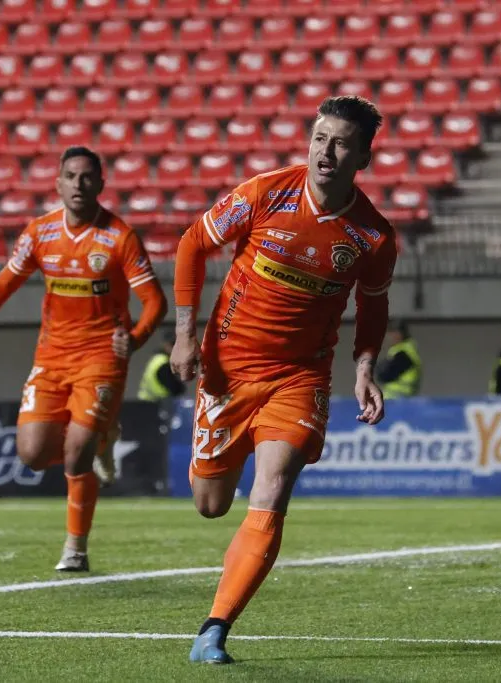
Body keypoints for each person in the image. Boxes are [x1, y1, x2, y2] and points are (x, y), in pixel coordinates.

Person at [170, 96, 398, 664]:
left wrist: (364, 367)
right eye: (321, 137)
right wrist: (183, 332)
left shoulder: (373, 237)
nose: (327, 151)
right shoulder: (265, 192)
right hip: (228, 369)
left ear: (363, 156)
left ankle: (213, 630)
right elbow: (192, 244)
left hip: (299, 377)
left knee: (272, 489)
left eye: (342, 142)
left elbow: (372, 308)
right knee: (211, 503)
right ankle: (219, 475)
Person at [0, 146, 166, 571]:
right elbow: (3, 284)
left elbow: (154, 301)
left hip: (101, 356)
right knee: (30, 453)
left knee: (76, 452)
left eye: (87, 177)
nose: (79, 184)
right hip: (51, 356)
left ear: (100, 184)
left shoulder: (119, 236)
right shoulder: (39, 233)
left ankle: (75, 549)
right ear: (58, 183)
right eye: (71, 176)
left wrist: (135, 339)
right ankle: (104, 437)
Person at [375, 319, 421, 398]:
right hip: (398, 399)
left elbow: (384, 375)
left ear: (398, 334)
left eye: (390, 333)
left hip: (399, 400)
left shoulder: (404, 354)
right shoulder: (400, 351)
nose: (388, 337)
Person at [138, 330, 185, 401]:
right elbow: (175, 389)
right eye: (173, 344)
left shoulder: (156, 359)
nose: (176, 348)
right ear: (166, 345)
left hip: (147, 403)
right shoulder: (163, 363)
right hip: (157, 405)